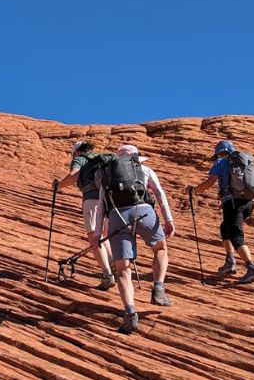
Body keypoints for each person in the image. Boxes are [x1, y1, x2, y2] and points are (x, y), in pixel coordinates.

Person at [96, 144, 174, 334]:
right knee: (160, 249)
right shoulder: (145, 169)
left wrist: (99, 232)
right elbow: (160, 194)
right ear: (136, 158)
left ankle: (130, 310)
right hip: (144, 211)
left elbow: (100, 205)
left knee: (122, 269)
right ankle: (158, 287)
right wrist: (168, 219)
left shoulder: (107, 175)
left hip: (117, 216)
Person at [189, 139, 254, 285]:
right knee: (225, 228)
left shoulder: (221, 163)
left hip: (232, 204)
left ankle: (252, 268)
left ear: (221, 153)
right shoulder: (245, 162)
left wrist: (194, 191)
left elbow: (209, 183)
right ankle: (230, 262)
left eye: (218, 155)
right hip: (249, 203)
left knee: (236, 237)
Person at [55, 140, 115, 290]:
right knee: (103, 234)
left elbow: (73, 176)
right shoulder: (101, 159)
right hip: (109, 200)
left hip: (92, 199)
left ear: (76, 152)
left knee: (94, 235)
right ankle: (115, 266)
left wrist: (58, 186)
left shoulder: (79, 159)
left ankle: (107, 274)